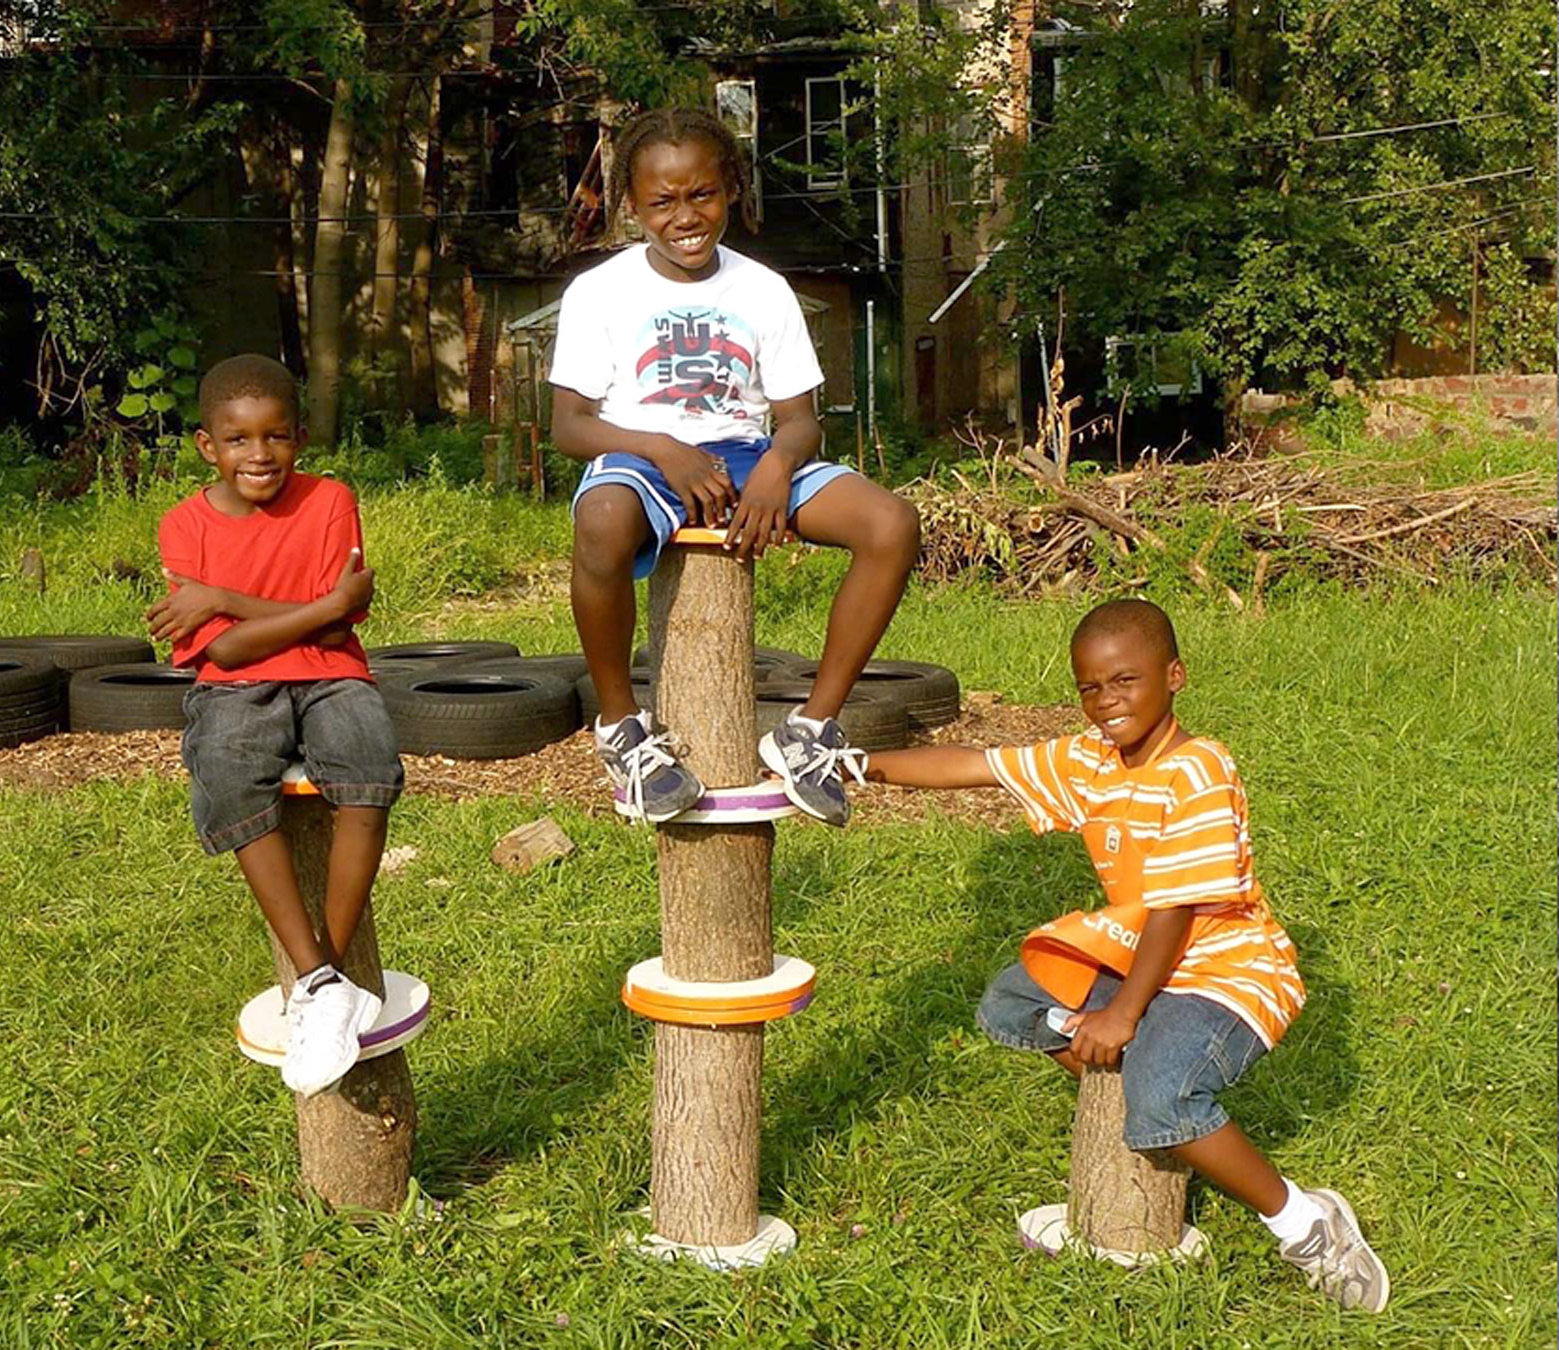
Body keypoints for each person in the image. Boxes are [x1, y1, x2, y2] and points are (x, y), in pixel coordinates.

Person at [863, 599, 1389, 1312]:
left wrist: (1123, 1015)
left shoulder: (1197, 769)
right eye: (1090, 687)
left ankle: (1303, 1220)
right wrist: (860, 767)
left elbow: (1175, 909)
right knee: (1013, 1003)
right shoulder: (1090, 758)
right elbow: (973, 765)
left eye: (1126, 681)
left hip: (1228, 972)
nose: (1106, 701)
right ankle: (1158, 1119)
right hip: (1141, 955)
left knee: (1164, 1091)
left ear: (1174, 676)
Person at [548, 106, 921, 827]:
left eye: (702, 195)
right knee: (601, 518)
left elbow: (801, 417)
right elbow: (571, 426)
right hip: (641, 457)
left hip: (750, 456)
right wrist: (661, 449)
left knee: (891, 524)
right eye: (662, 201)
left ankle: (808, 733)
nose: (684, 216)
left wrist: (781, 462)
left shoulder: (761, 289)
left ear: (731, 193)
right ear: (632, 206)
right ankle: (624, 731)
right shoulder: (598, 291)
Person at [145, 354, 404, 1098]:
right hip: (235, 687)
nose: (259, 456)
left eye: (277, 438)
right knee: (227, 773)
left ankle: (331, 970)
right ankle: (316, 976)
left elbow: (332, 636)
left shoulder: (328, 502)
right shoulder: (183, 525)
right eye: (238, 440)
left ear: (299, 438)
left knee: (366, 763)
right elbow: (221, 649)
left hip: (332, 677)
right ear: (206, 445)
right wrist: (321, 606)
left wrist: (226, 597)